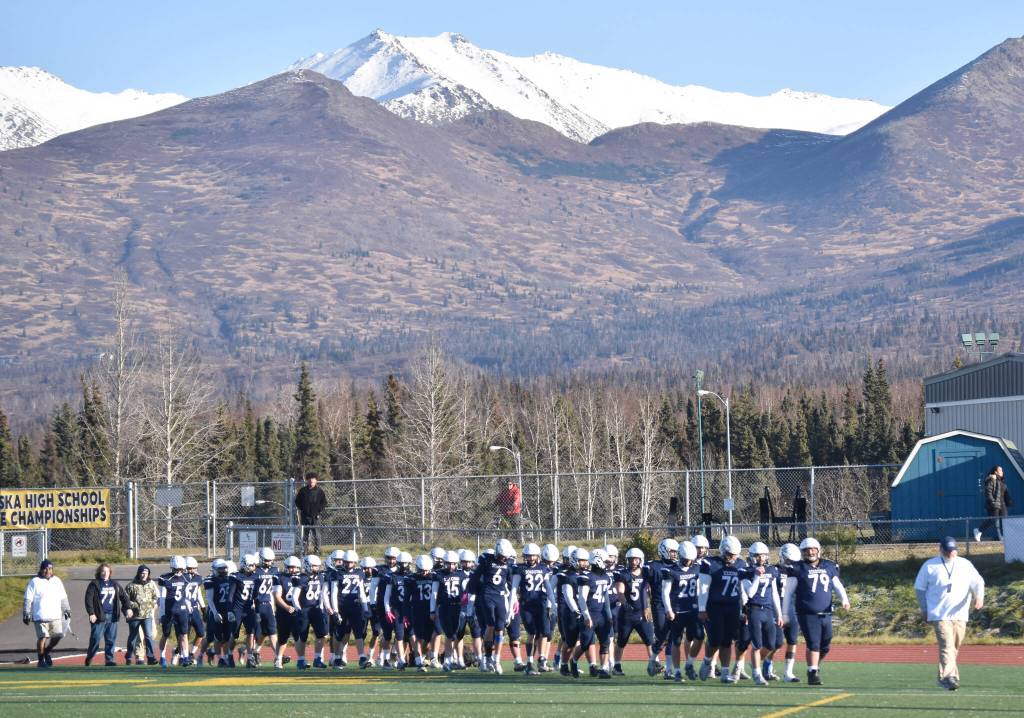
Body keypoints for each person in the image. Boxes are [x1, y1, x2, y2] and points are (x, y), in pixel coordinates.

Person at [914, 536, 985, 691]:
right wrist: (924, 609)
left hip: (960, 613)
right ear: (941, 550)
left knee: (955, 646)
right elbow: (920, 588)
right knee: (946, 644)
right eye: (948, 551)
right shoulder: (930, 566)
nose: (951, 554)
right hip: (939, 613)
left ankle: (945, 677)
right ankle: (948, 677)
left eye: (954, 551)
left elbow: (978, 582)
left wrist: (979, 597)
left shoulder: (965, 564)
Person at [781, 537, 850, 686]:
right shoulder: (797, 568)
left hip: (826, 612)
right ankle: (812, 672)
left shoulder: (829, 566)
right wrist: (785, 613)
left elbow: (837, 585)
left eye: (812, 549)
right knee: (813, 643)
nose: (810, 552)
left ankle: (815, 666)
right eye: (806, 550)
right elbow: (787, 593)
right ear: (802, 552)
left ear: (818, 550)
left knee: (825, 645)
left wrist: (845, 599)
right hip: (806, 613)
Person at [22, 559, 70, 669]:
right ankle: (41, 660)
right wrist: (26, 613)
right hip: (40, 616)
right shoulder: (35, 581)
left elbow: (63, 597)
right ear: (41, 569)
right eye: (45, 569)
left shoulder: (57, 580)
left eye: (50, 568)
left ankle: (47, 652)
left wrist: (67, 609)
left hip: (55, 615)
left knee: (58, 636)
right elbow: (28, 599)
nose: (48, 571)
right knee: (43, 637)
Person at [84, 563, 132, 666]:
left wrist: (128, 608)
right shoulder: (94, 584)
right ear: (99, 572)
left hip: (112, 616)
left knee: (111, 639)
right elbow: (88, 600)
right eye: (103, 571)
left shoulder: (114, 584)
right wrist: (91, 613)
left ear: (110, 573)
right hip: (99, 617)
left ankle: (109, 660)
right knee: (95, 639)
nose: (105, 573)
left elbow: (124, 597)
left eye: (107, 571)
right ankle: (90, 657)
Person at [125, 565, 160, 665]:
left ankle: (150, 657)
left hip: (147, 615)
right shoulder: (131, 585)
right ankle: (128, 656)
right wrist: (134, 605)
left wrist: (152, 604)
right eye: (142, 573)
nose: (144, 575)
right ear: (138, 573)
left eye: (146, 573)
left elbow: (155, 596)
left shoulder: (151, 584)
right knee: (133, 636)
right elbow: (125, 600)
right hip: (135, 616)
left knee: (148, 636)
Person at [975, 465, 1011, 541]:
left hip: (1002, 503)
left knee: (1005, 520)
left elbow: (1004, 492)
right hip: (994, 503)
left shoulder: (1001, 481)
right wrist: (993, 502)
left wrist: (1009, 500)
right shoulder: (992, 480)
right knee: (993, 520)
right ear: (995, 472)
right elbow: (988, 492)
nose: (1002, 472)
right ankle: (978, 531)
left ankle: (1002, 536)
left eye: (1002, 470)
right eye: (1000, 470)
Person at [295, 472, 327, 554]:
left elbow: (324, 503)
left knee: (316, 534)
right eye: (309, 479)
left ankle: (317, 551)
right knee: (304, 535)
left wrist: (318, 511)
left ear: (316, 480)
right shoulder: (302, 491)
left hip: (315, 517)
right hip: (305, 517)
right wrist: (303, 509)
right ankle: (304, 551)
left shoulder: (319, 491)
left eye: (313, 479)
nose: (311, 481)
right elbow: (297, 502)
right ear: (307, 480)